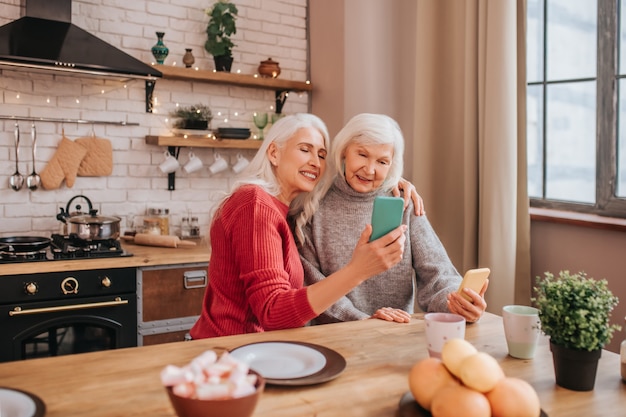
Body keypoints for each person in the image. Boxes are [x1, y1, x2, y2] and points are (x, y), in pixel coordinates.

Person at [189, 113, 409, 339]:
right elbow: (272, 312)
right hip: (231, 354)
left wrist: (392, 182)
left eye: (322, 155)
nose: (316, 162)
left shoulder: (284, 212)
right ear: (274, 153)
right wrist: (357, 271)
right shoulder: (254, 204)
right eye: (305, 149)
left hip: (258, 348)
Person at [298, 113, 488, 325]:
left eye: (382, 161)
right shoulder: (313, 208)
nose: (370, 170)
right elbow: (313, 286)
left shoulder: (404, 202)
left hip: (394, 335)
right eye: (362, 154)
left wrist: (457, 303)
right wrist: (365, 320)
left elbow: (438, 274)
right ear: (344, 152)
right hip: (337, 335)